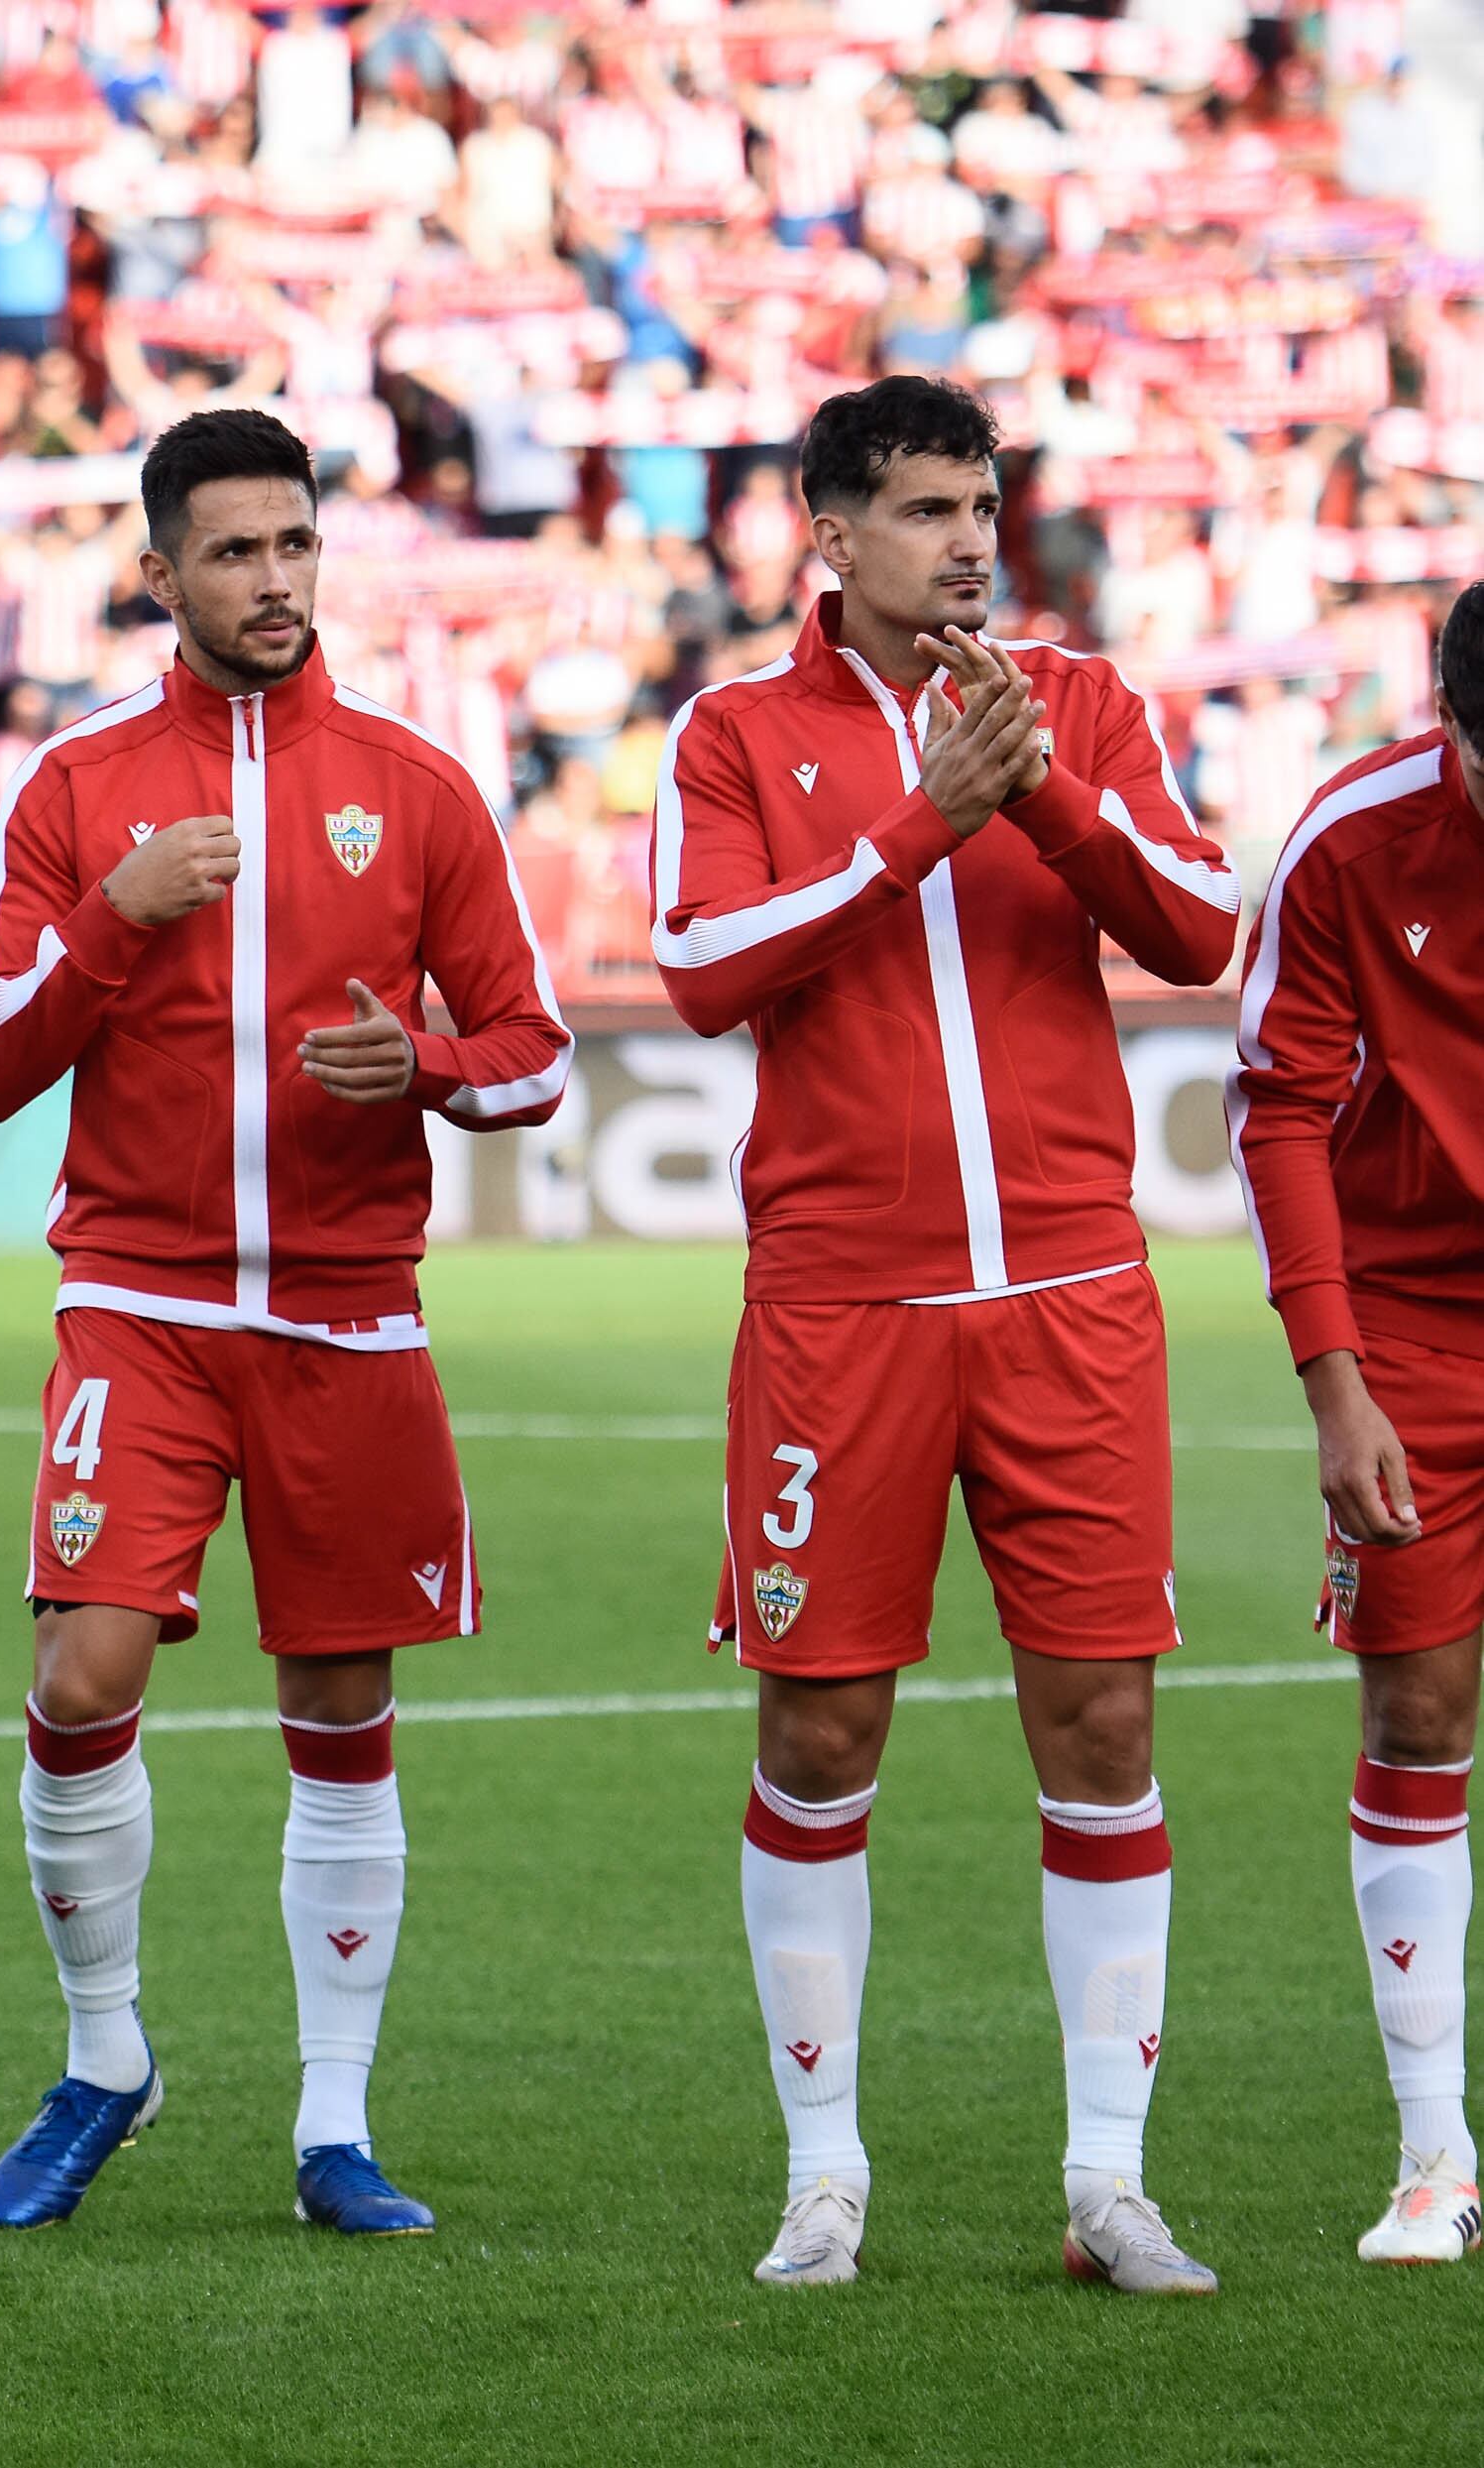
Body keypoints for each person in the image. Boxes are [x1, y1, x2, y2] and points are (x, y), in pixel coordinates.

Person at [0, 410, 572, 2239]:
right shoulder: (75, 785)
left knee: (340, 1705)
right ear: (160, 574)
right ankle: (103, 2056)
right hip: (135, 1304)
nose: (273, 580)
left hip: (346, 1318)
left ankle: (332, 2127)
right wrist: (110, 921)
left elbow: (535, 1052)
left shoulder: (415, 785)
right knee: (83, 1676)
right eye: (232, 551)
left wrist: (427, 1068)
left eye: (293, 544)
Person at [648, 376, 1242, 2293]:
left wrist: (1038, 791)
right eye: (921, 509)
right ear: (827, 537)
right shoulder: (733, 733)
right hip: (839, 1310)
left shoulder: (1082, 704)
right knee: (819, 1730)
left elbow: (1198, 929)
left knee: (1103, 1722)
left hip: (1069, 1296)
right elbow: (701, 967)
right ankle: (821, 2173)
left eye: (979, 505)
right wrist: (922, 823)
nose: (967, 540)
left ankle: (1107, 2182)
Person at [1227, 578, 1484, 2266]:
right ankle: (1433, 2154)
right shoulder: (1348, 837)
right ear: (1448, 721)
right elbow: (1277, 1107)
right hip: (1412, 1328)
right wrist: (1334, 1379)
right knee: (1417, 1707)